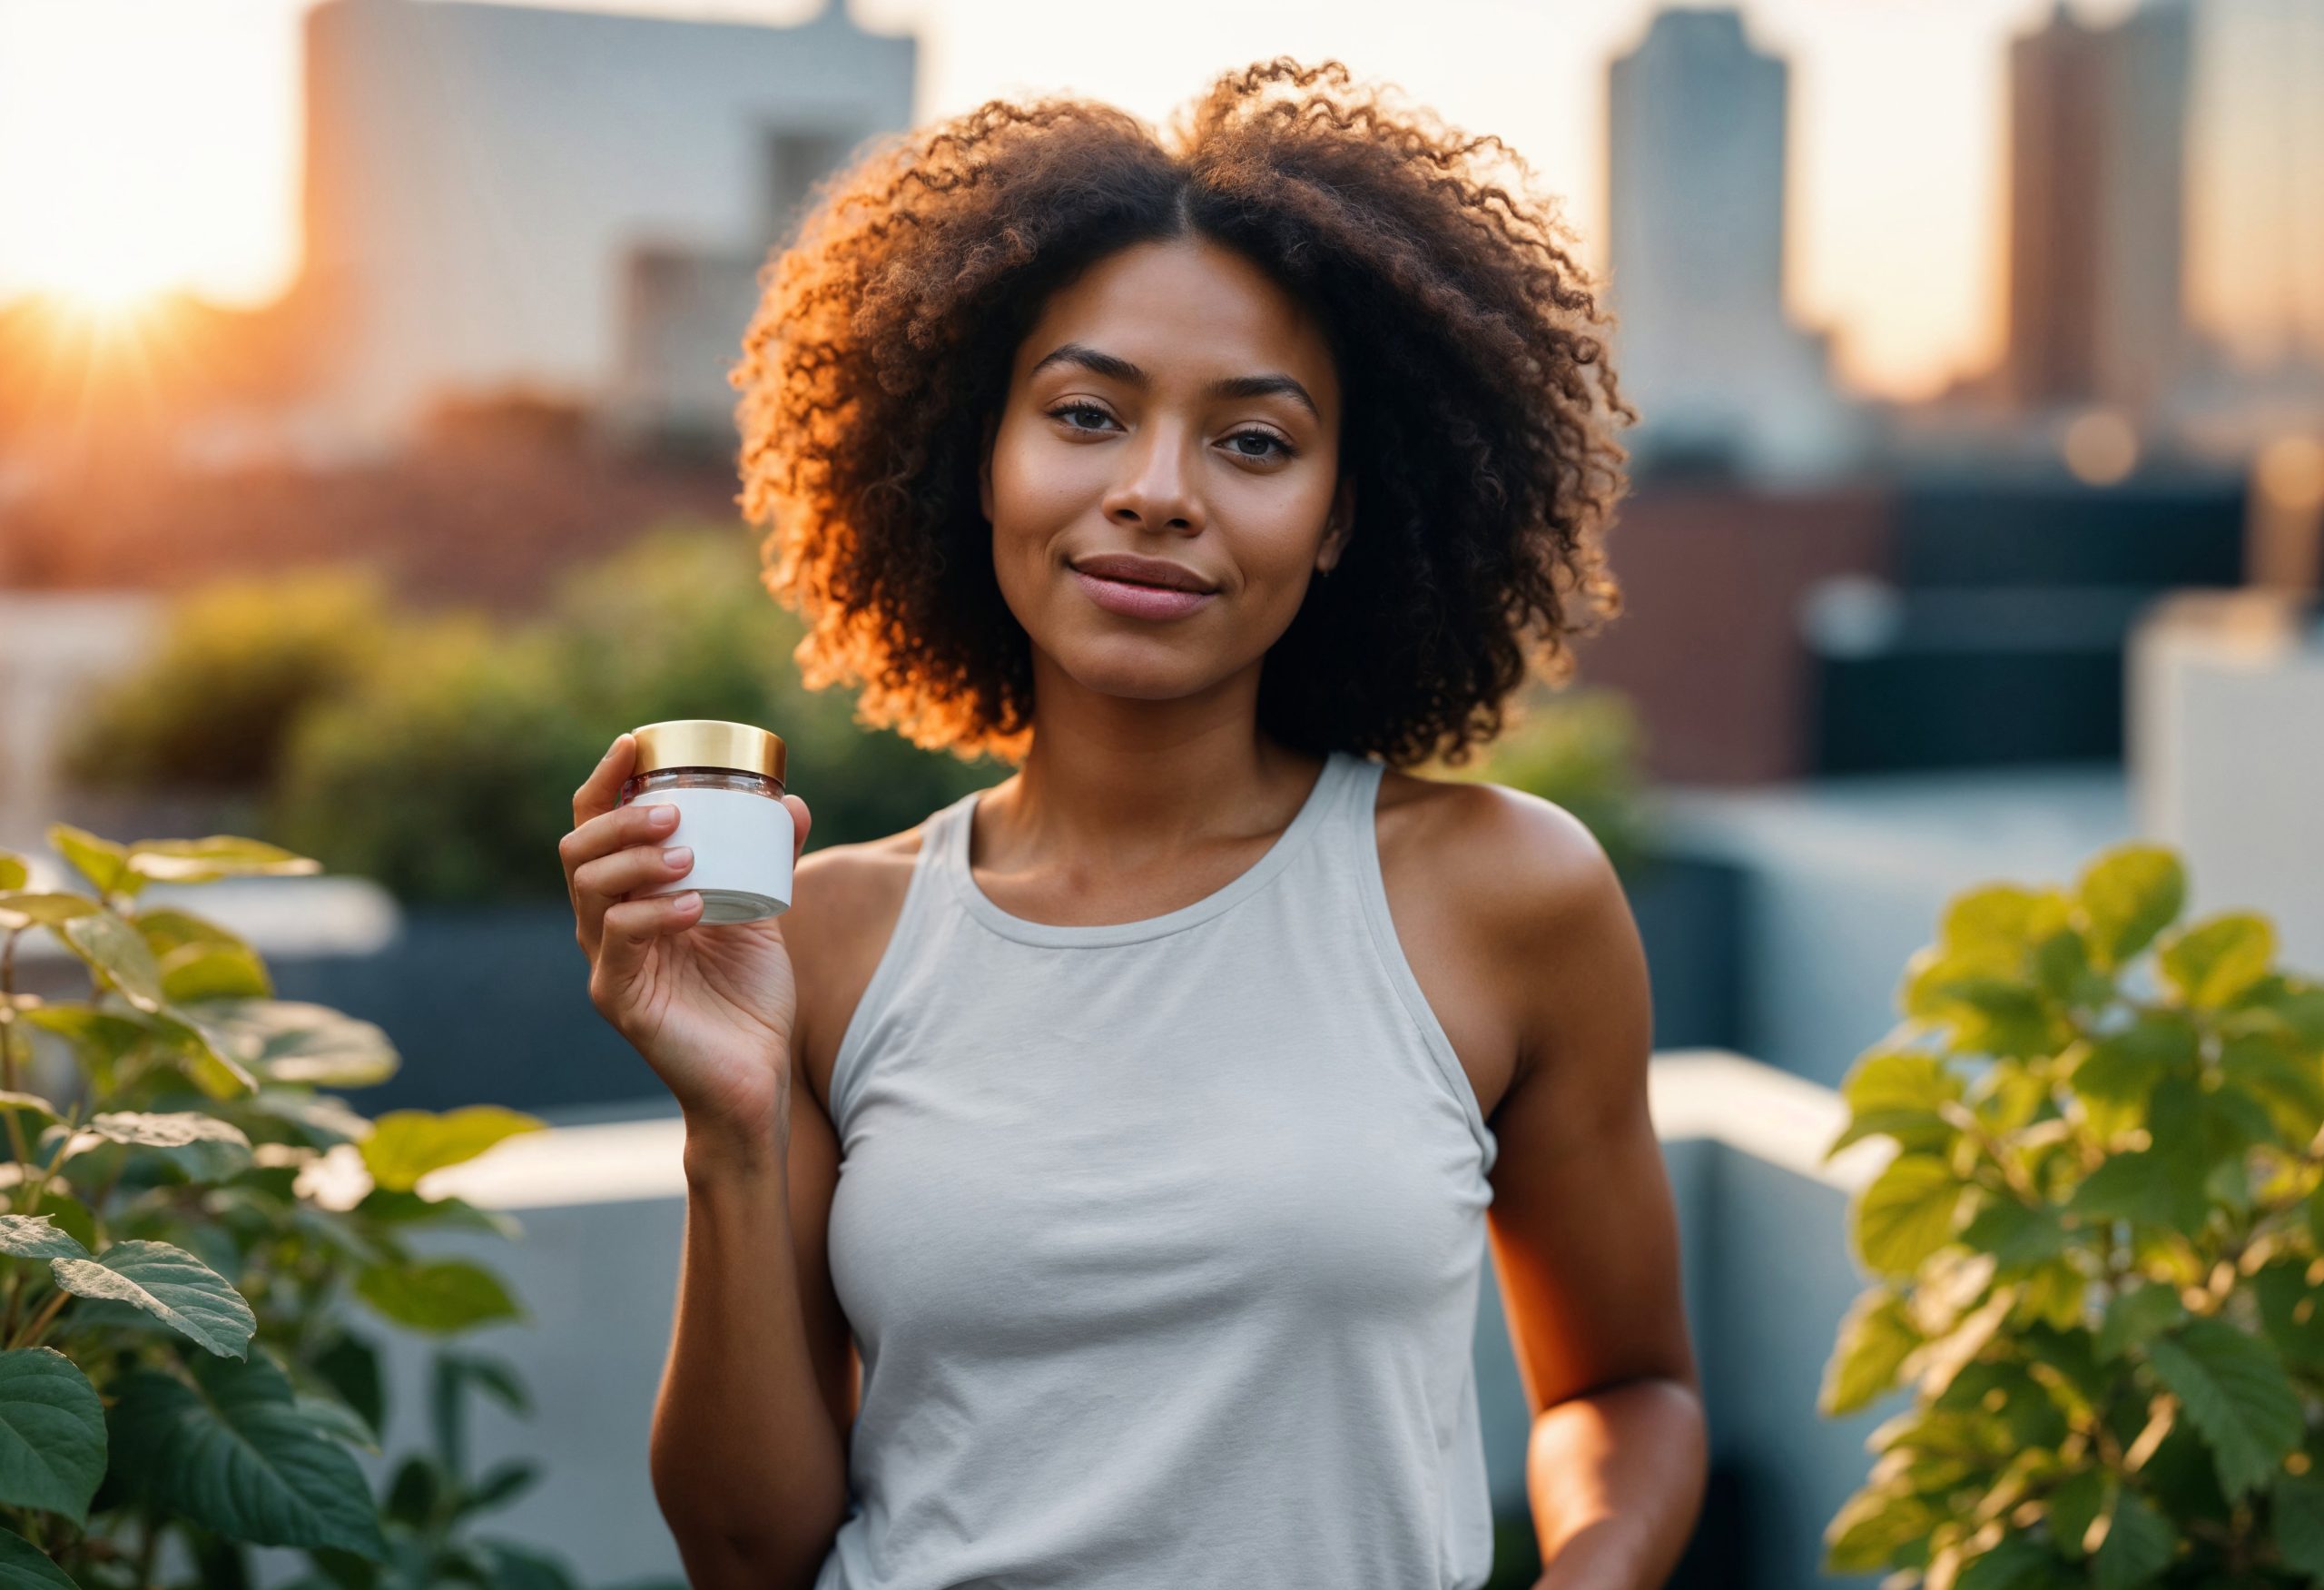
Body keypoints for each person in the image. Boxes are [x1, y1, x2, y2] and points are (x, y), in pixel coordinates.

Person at [559, 56, 1704, 1590]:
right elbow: (750, 1551)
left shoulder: (1504, 897)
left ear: (1345, 512)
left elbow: (1625, 1390)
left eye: (1254, 442)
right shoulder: (824, 939)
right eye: (1087, 414)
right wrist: (730, 1125)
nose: (1158, 493)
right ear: (981, 455)